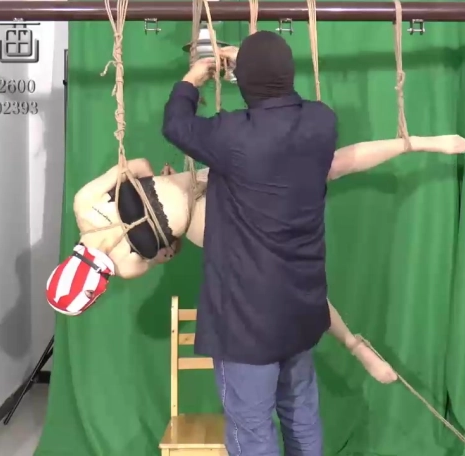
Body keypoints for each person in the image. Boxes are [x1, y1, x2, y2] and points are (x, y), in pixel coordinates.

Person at [157, 30, 428, 455]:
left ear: (244, 81)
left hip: (245, 324)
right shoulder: (321, 122)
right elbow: (277, 93)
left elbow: (176, 124)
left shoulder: (231, 135)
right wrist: (249, 63)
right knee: (301, 416)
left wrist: (195, 76)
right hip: (299, 313)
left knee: (251, 430)